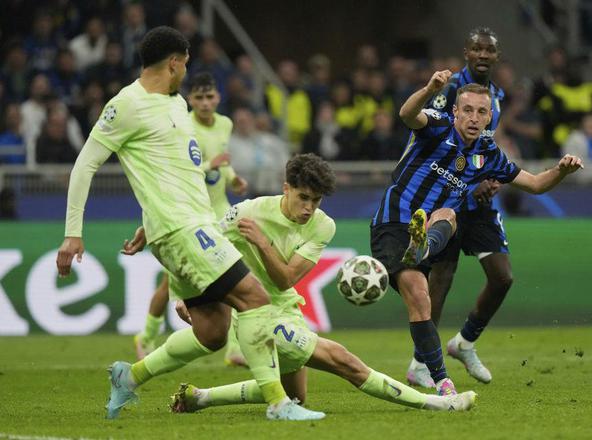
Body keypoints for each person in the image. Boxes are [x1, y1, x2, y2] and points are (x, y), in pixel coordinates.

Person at [55, 26, 323, 422]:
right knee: (255, 298)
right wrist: (72, 234)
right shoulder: (126, 104)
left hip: (189, 224)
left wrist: (149, 224)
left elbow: (172, 171)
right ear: (174, 62)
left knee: (212, 333)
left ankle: (130, 376)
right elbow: (85, 165)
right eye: (185, 65)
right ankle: (278, 403)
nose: (185, 71)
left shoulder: (176, 104)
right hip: (182, 229)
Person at [161, 154, 476, 413]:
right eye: (303, 198)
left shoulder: (323, 225)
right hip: (257, 315)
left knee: (296, 397)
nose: (309, 208)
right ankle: (437, 403)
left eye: (316, 200)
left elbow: (285, 280)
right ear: (286, 189)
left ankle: (199, 397)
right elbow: (198, 249)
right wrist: (183, 296)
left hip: (286, 308)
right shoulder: (248, 212)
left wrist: (263, 244)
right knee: (344, 361)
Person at [370, 70, 583, 397]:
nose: (473, 117)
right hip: (393, 223)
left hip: (427, 230)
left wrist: (561, 170)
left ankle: (423, 248)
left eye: (481, 112)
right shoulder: (438, 126)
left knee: (448, 218)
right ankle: (444, 382)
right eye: (467, 110)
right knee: (421, 295)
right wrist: (429, 89)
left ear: (488, 118)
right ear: (455, 111)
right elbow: (407, 114)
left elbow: (535, 184)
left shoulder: (489, 155)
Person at [405, 27, 513, 388]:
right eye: (476, 49)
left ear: (497, 56)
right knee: (442, 275)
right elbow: (428, 135)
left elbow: (484, 145)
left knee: (502, 277)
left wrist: (491, 177)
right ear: (466, 53)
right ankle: (421, 361)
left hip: (477, 197)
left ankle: (464, 343)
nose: (483, 55)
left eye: (489, 50)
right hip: (447, 195)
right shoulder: (451, 89)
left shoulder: (496, 95)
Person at [133, 71, 249, 366]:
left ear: (218, 97)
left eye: (210, 96)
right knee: (168, 284)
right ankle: (146, 336)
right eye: (199, 97)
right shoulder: (182, 125)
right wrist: (212, 165)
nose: (205, 103)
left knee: (238, 274)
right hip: (188, 214)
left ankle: (235, 348)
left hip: (219, 210)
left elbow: (222, 161)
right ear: (190, 100)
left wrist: (232, 178)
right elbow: (181, 170)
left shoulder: (225, 124)